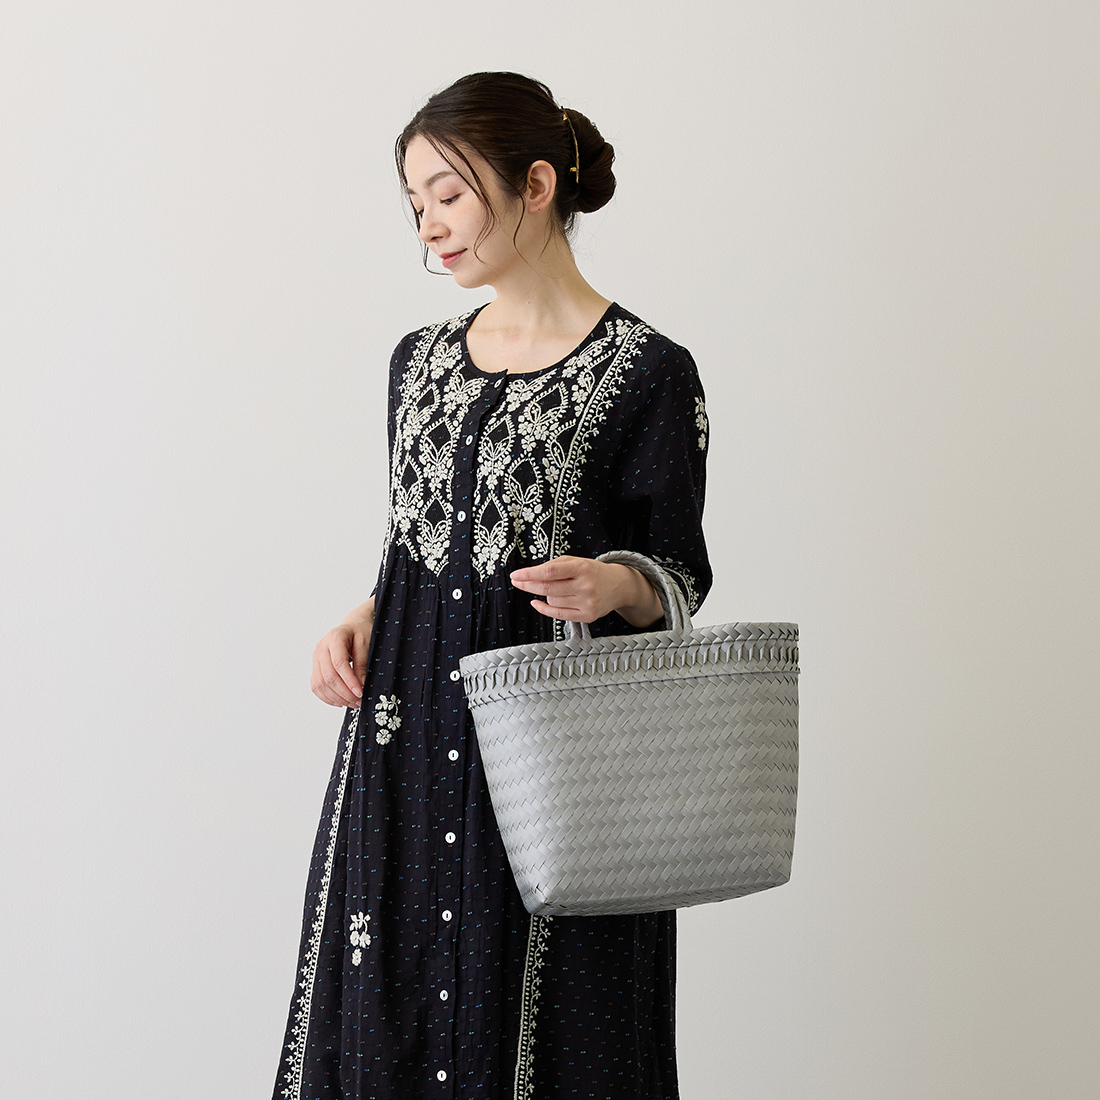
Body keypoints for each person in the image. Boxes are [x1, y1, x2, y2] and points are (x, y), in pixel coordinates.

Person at [273, 71, 712, 1100]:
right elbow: (416, 543)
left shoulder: (649, 371)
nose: (428, 225)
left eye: (448, 194)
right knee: (384, 1010)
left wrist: (616, 583)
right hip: (405, 738)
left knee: (554, 1026)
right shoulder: (416, 362)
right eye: (414, 201)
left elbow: (680, 576)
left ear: (536, 186)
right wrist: (361, 615)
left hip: (552, 762)